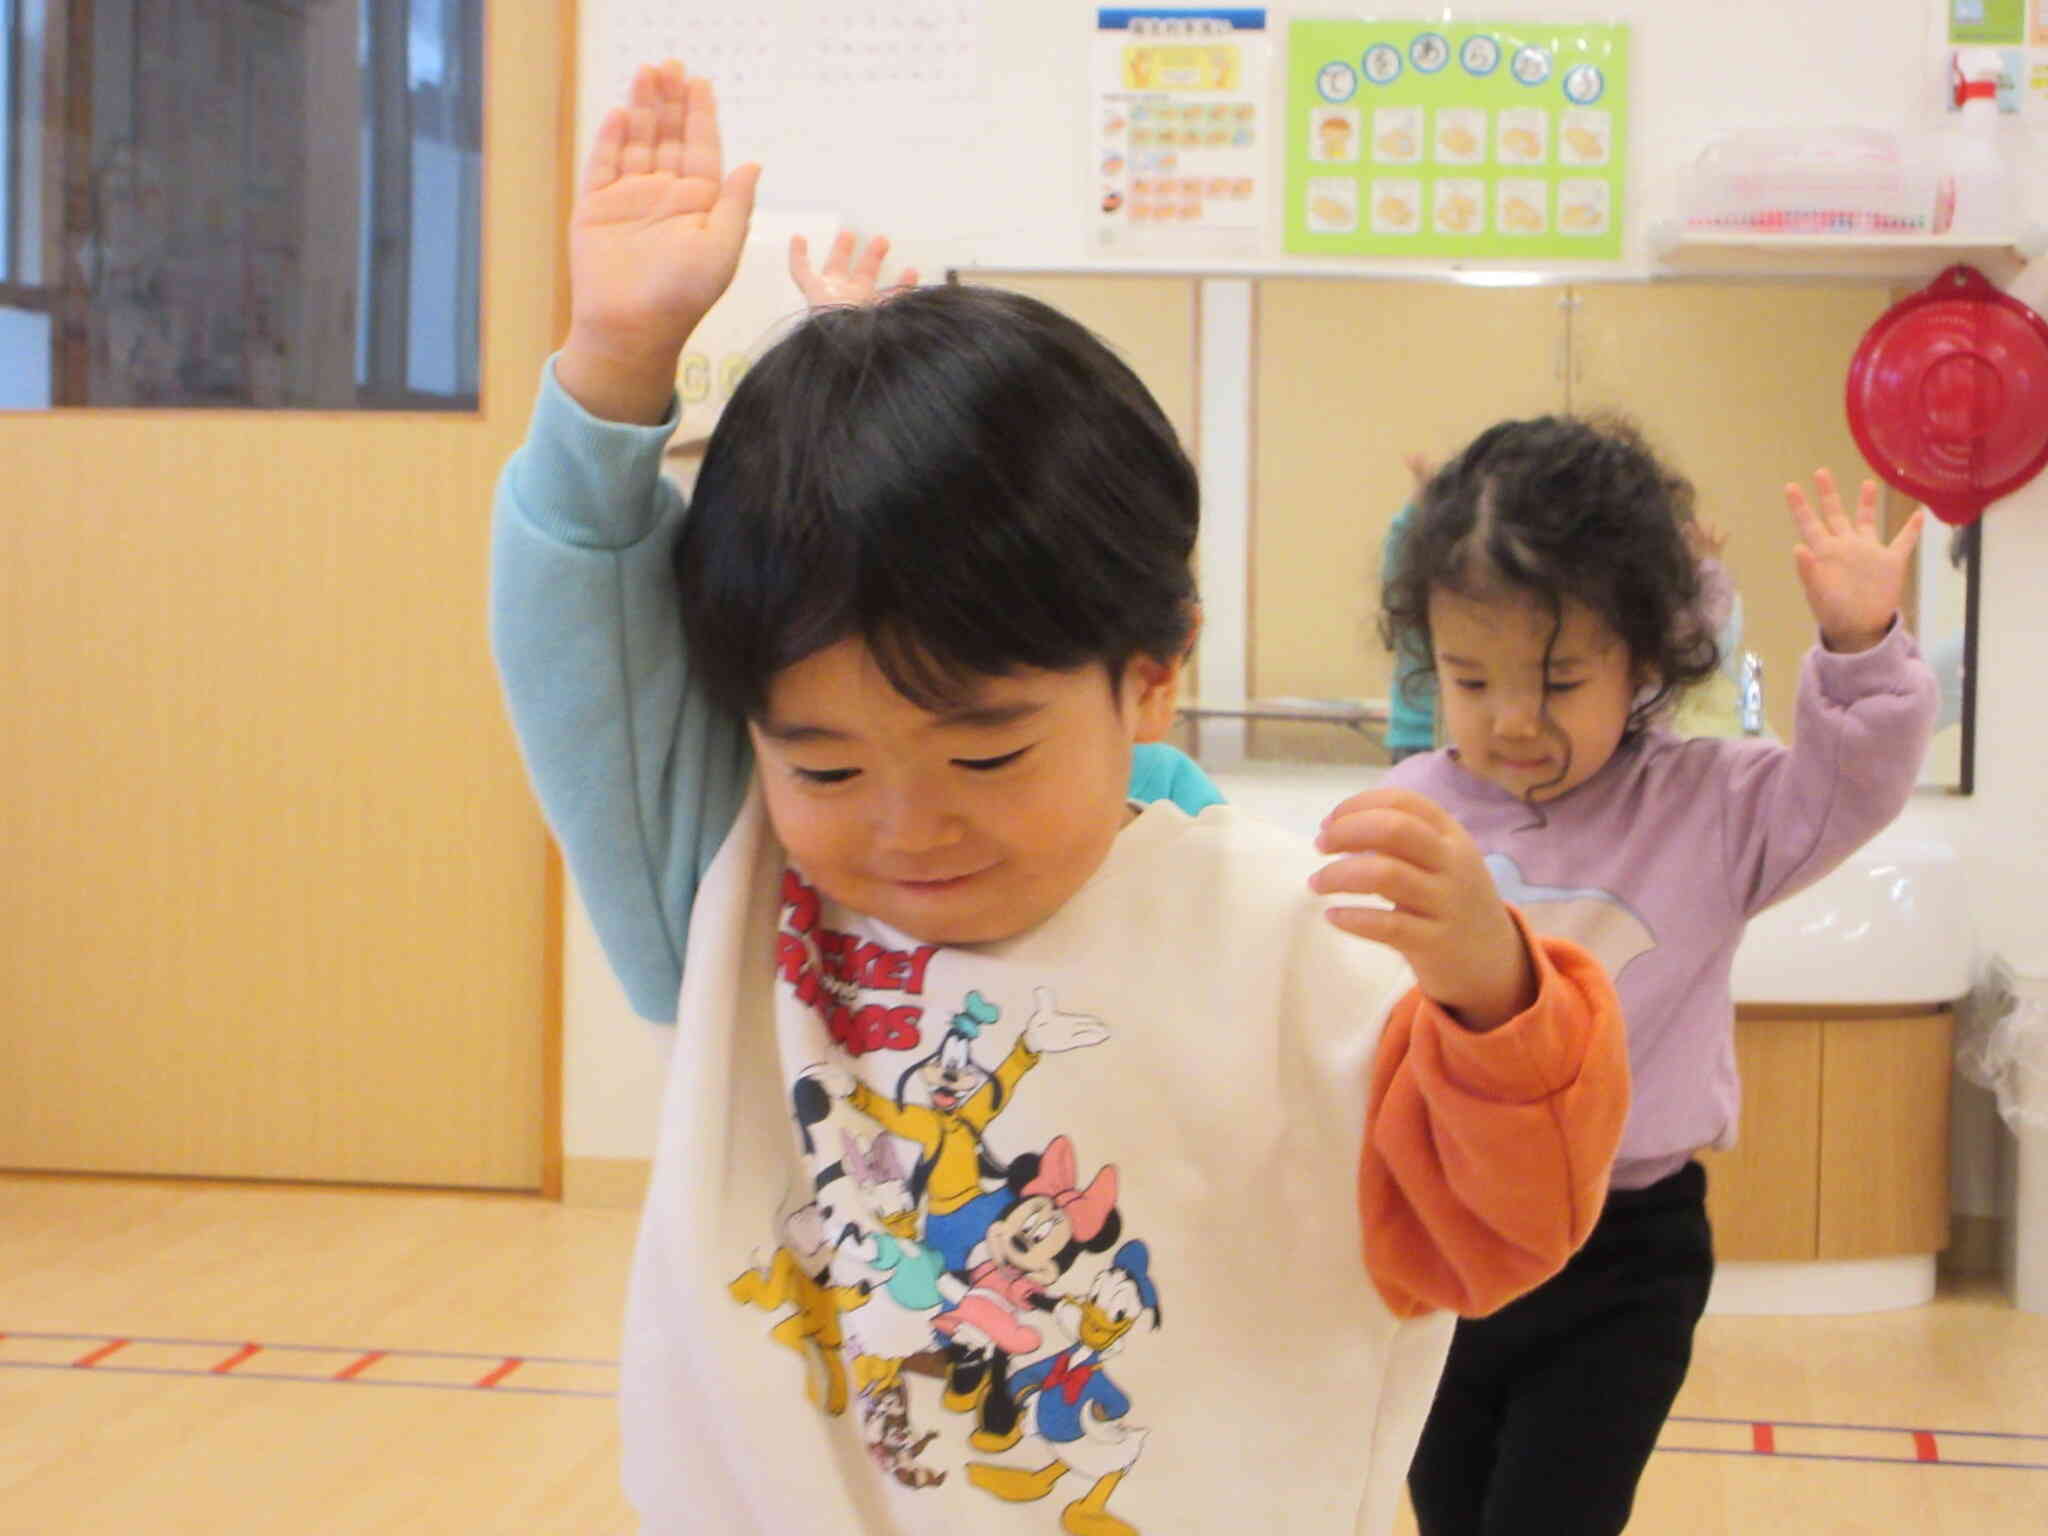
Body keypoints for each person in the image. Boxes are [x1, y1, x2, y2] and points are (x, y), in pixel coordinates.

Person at [491, 59, 1629, 1535]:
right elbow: (592, 658)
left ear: (1152, 676)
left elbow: (1499, 1235)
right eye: (825, 764)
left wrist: (1492, 1002)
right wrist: (612, 371)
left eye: (984, 755)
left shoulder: (1290, 938)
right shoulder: (740, 890)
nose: (904, 825)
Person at [1364, 414, 1937, 1536]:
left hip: (1622, 1254)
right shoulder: (1406, 815)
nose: (1512, 721)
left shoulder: (1707, 805)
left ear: (1642, 656)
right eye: (1469, 681)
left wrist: (1861, 642)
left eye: (1558, 679)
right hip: (1448, 1234)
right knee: (1451, 1514)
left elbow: (1850, 784)